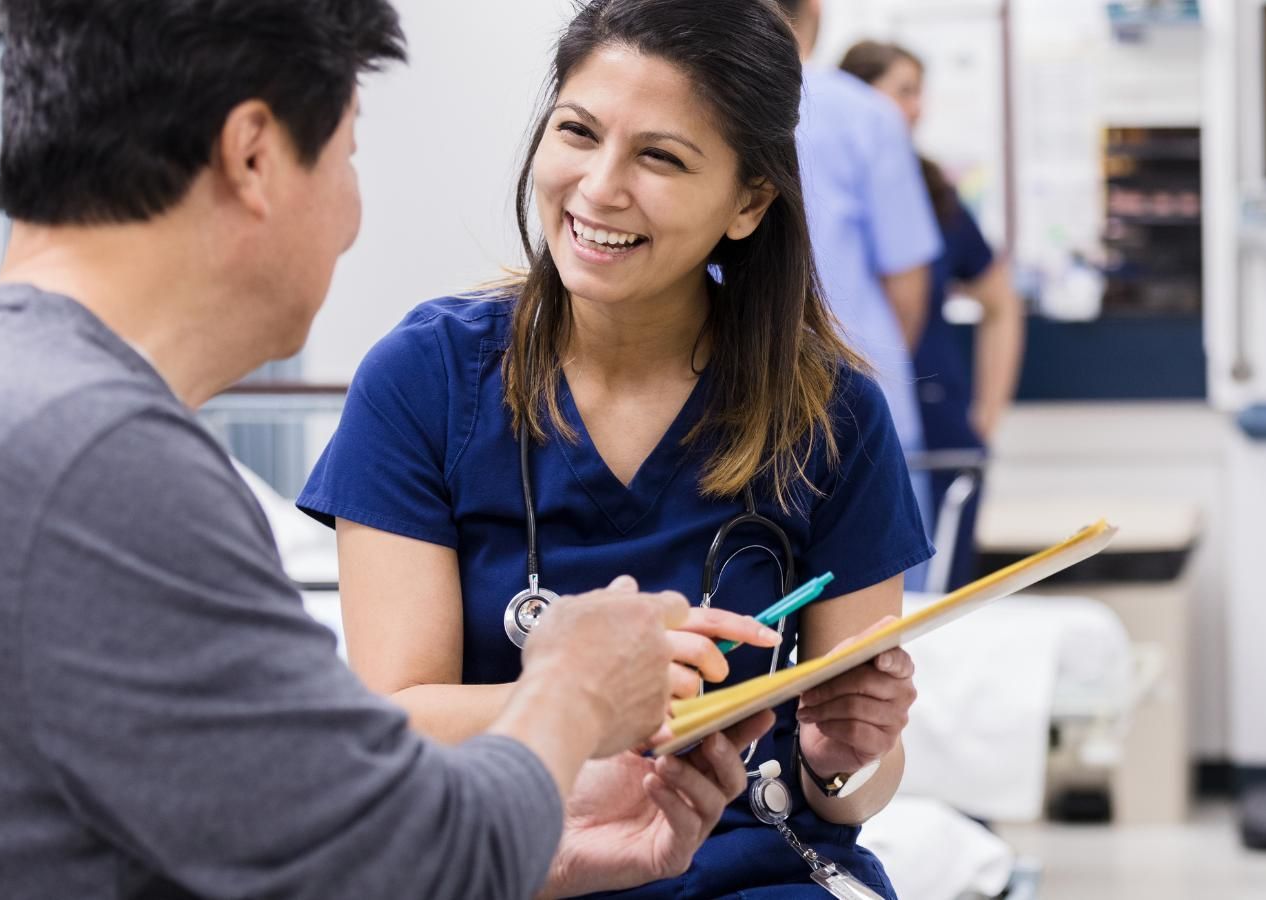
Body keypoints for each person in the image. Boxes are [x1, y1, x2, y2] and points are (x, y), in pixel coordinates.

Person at [0, 2, 767, 898]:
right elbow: (390, 867)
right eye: (348, 154)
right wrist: (577, 687)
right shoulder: (101, 466)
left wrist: (555, 852)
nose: (351, 218)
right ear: (254, 155)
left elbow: (279, 835)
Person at [297, 0, 929, 895]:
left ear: (749, 201)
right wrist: (600, 691)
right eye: (578, 132)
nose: (598, 187)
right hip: (512, 861)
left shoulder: (833, 415)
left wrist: (841, 756)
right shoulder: (425, 381)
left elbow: (853, 794)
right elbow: (396, 723)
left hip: (751, 872)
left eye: (659, 156)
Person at [840, 39, 1026, 591]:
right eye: (902, 91)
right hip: (859, 419)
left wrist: (988, 415)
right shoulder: (820, 183)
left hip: (938, 423)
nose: (916, 108)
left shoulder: (932, 192)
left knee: (941, 597)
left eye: (919, 93)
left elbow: (1001, 302)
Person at [777, 0, 945, 554]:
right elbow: (906, 284)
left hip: (735, 411)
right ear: (815, 12)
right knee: (883, 625)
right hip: (864, 408)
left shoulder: (699, 106)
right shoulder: (867, 115)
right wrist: (875, 372)